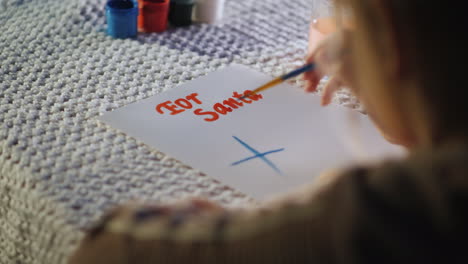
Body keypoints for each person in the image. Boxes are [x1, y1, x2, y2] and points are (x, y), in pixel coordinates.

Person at [69, 0, 468, 263]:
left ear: (390, 36)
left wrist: (216, 228)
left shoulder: (393, 213)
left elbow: (108, 253)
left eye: (356, 22)